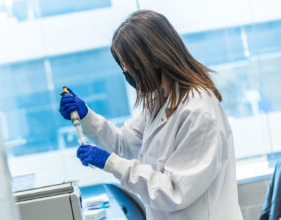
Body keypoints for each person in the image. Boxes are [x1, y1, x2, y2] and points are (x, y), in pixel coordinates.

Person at [59, 10, 243, 220]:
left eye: (128, 62)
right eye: (122, 64)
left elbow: (174, 192)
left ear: (154, 58)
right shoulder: (160, 101)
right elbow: (123, 145)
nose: (125, 70)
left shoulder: (198, 112)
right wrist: (86, 117)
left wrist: (110, 163)